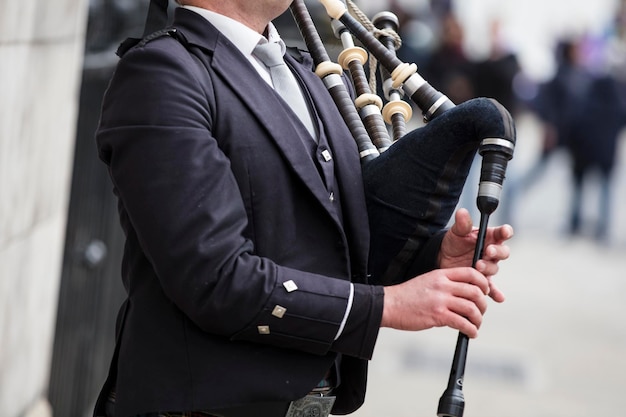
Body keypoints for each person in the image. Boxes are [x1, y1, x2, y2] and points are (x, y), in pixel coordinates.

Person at [92, 0, 515, 416]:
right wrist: (389, 305)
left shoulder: (304, 74)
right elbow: (214, 278)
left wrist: (430, 259)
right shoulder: (162, 73)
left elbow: (321, 239)